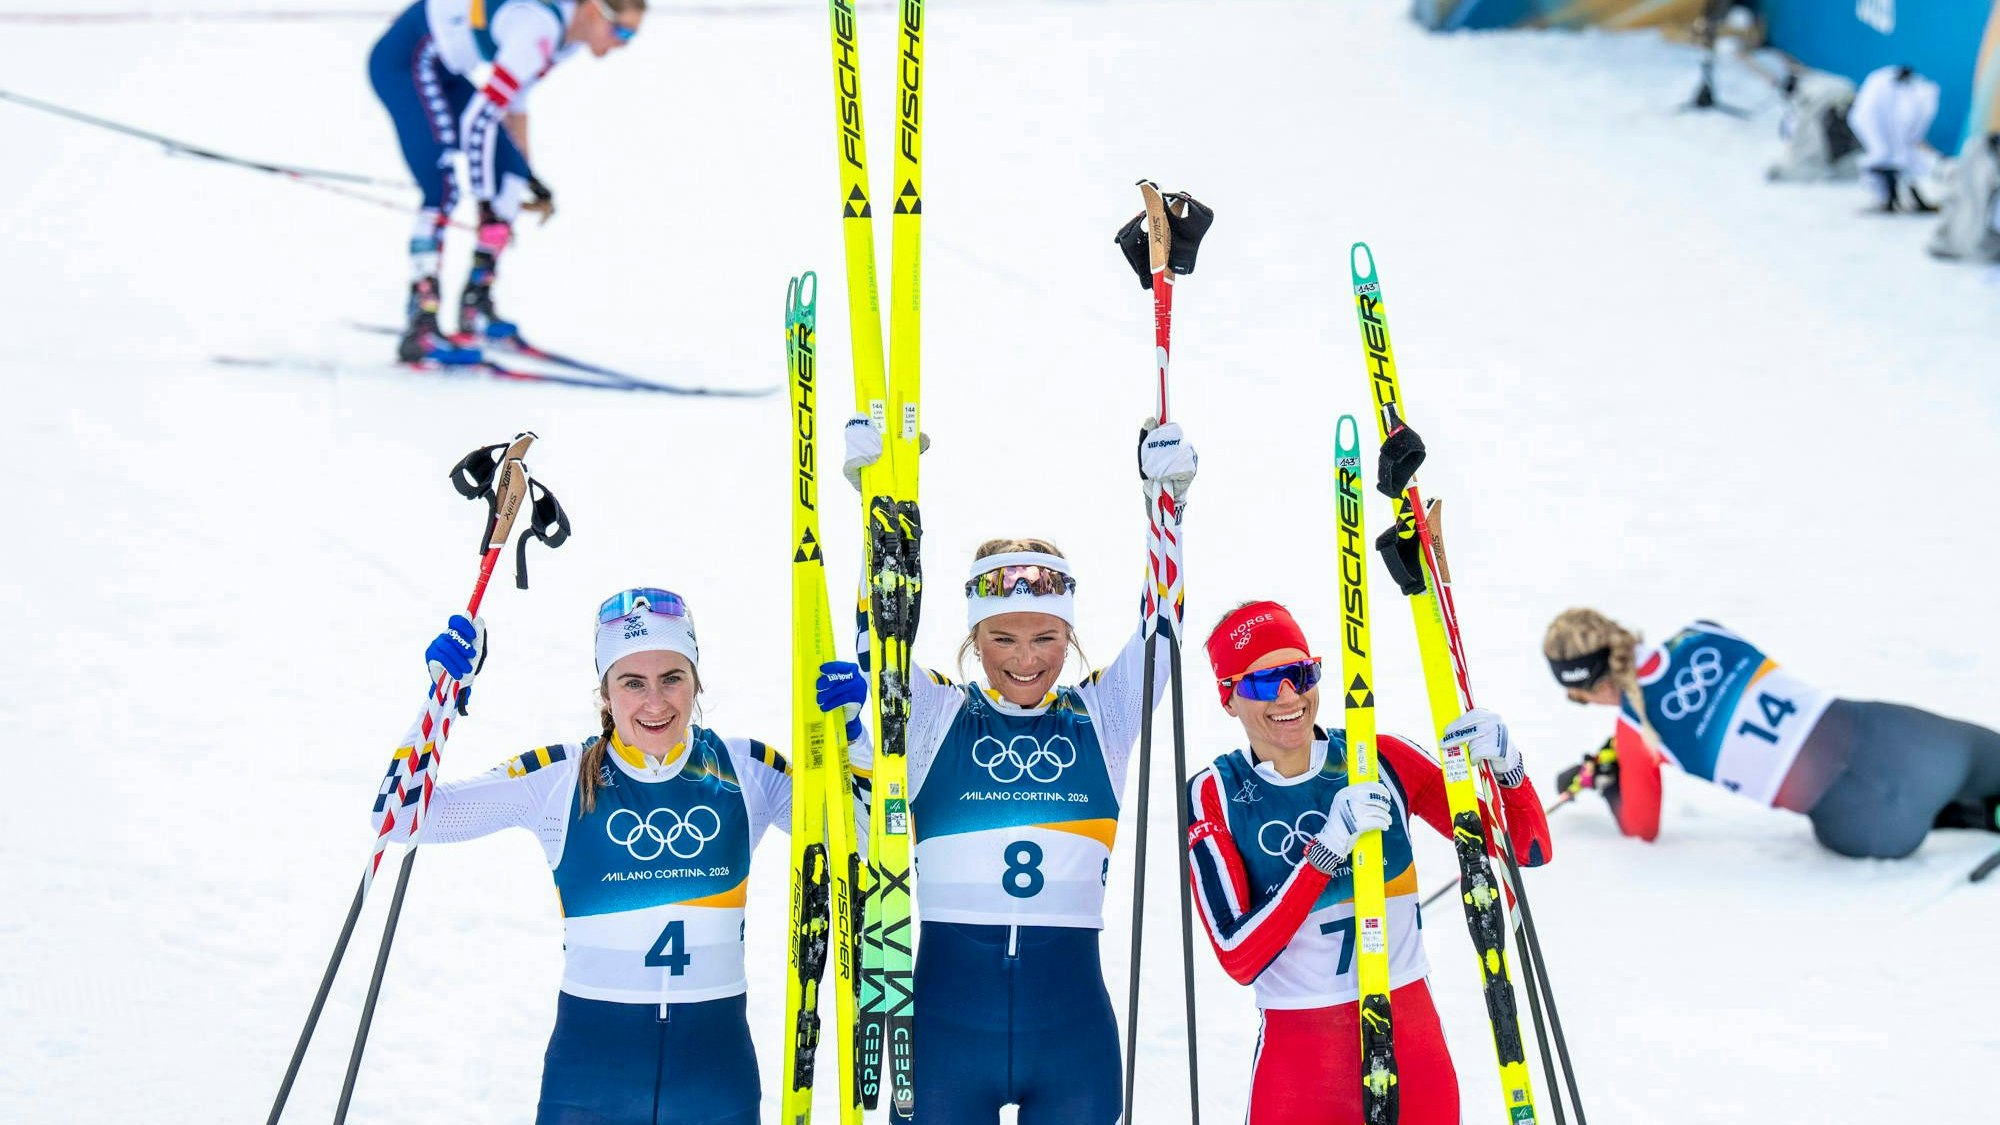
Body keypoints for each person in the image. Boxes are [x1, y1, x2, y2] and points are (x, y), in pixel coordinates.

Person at [813, 419, 1198, 1123]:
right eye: (1003, 638)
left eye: (1047, 636)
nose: (1027, 658)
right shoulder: (934, 714)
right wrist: (877, 503)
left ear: (1069, 634)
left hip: (1073, 1042)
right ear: (974, 637)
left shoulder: (1103, 716)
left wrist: (1166, 504)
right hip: (941, 1041)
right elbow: (882, 636)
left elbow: (1162, 634)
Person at [383, 587, 861, 1124]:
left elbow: (864, 843)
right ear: (606, 691)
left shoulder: (745, 769)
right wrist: (440, 700)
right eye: (632, 683)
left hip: (715, 1077)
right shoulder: (560, 778)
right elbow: (398, 819)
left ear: (696, 680)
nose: (654, 702)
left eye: (672, 678)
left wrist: (857, 738)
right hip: (590, 1078)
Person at [1184, 600, 1551, 1125]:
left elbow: (1526, 848)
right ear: (1228, 698)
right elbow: (1238, 956)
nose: (1289, 696)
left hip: (1412, 1043)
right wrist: (1326, 852)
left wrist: (1509, 767)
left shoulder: (1380, 759)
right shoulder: (1216, 792)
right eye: (1264, 683)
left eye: (1300, 674)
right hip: (1302, 1070)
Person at [1543, 608, 2000, 859]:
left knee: (1911, 806)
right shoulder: (1702, 631)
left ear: (1590, 689)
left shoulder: (1634, 734)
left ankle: (1978, 817)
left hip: (1868, 826)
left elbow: (1641, 829)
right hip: (1916, 742)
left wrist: (1609, 785)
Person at [367, 0, 645, 362]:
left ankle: (475, 306)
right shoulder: (538, 31)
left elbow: (515, 100)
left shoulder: (568, 37)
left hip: (444, 68)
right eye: (621, 31)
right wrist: (487, 207)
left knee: (509, 174)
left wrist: (522, 176)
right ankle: (422, 318)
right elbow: (479, 121)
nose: (623, 43)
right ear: (593, 10)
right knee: (443, 182)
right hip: (406, 61)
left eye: (632, 36)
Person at [1846, 64, 1940, 213]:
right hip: (1884, 143)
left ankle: (1903, 201)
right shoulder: (1881, 86)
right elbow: (1866, 116)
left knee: (1904, 168)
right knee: (1891, 165)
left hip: (1895, 145)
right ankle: (1891, 201)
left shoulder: (1910, 91)